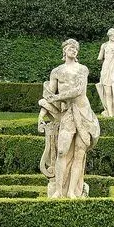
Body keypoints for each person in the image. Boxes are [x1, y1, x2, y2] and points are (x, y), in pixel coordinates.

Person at [38, 38, 100, 198]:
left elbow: (79, 91)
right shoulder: (56, 72)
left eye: (76, 48)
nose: (74, 50)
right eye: (71, 47)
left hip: (83, 113)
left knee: (79, 154)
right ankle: (59, 190)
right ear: (64, 50)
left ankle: (72, 191)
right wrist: (42, 114)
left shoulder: (82, 70)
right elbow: (49, 95)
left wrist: (57, 98)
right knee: (61, 152)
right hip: (67, 115)